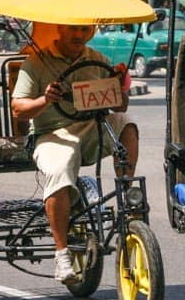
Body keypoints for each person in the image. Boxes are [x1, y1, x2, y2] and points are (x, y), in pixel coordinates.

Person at [11, 24, 137, 284]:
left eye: (83, 30)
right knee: (61, 167)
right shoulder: (35, 63)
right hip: (51, 133)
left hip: (91, 128)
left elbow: (119, 104)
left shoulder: (98, 60)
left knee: (127, 123)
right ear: (60, 29)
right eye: (73, 30)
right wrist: (45, 100)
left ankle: (127, 198)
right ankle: (61, 255)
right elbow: (17, 109)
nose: (78, 35)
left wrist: (120, 84)